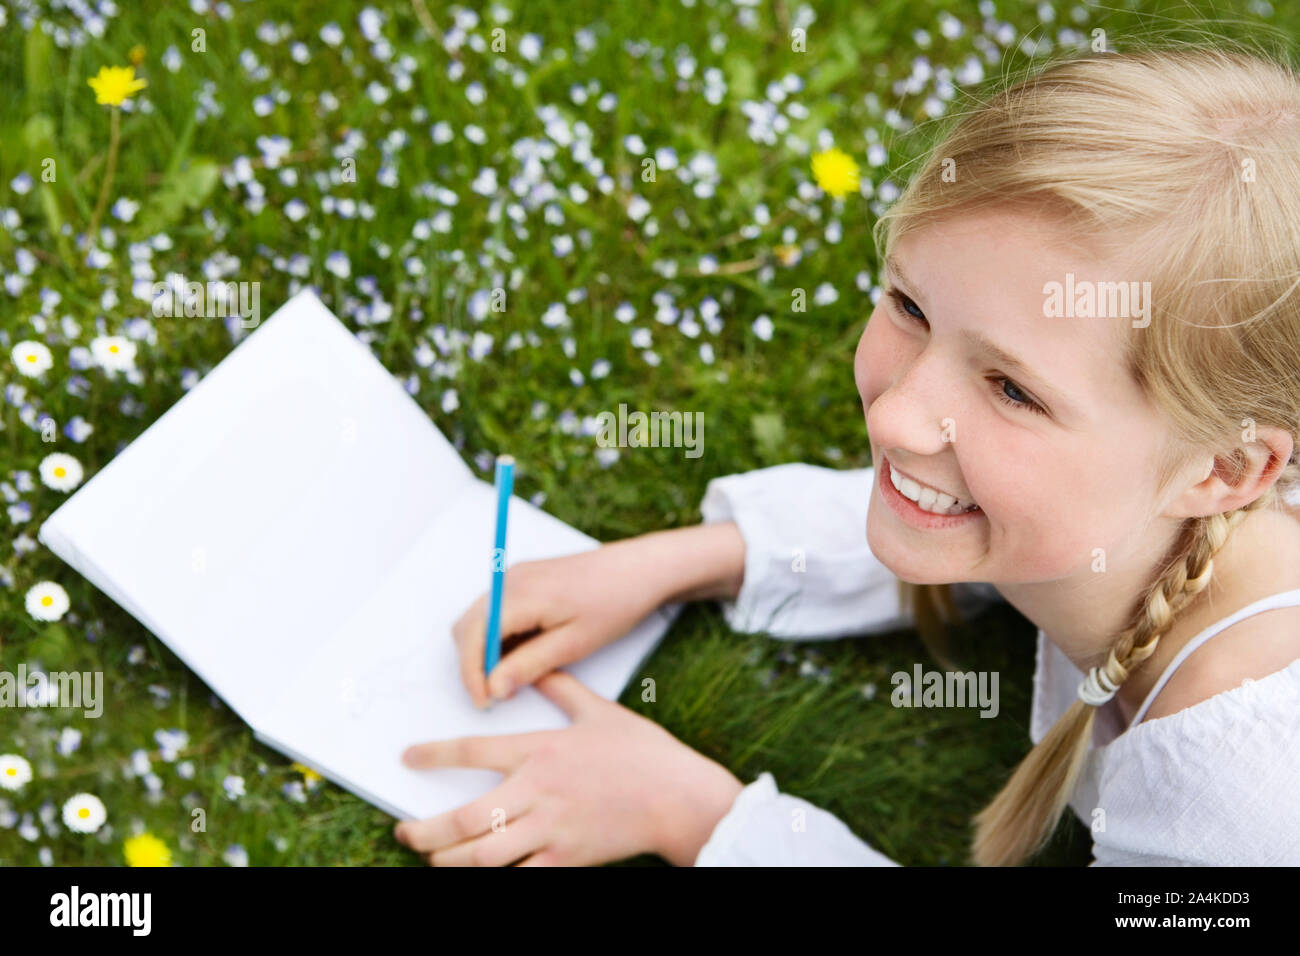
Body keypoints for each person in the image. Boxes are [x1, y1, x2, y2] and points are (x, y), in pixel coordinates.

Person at [393, 42, 1300, 866]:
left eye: (1013, 390)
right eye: (910, 307)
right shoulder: (1131, 507)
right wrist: (686, 561)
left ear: (1225, 473)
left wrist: (699, 818)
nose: (901, 418)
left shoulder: (1239, 809)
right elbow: (1004, 526)